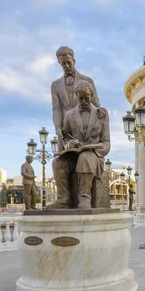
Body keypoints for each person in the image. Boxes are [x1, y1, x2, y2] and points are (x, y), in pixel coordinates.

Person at [47, 80, 110, 209]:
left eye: (87, 98)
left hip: (94, 156)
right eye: (81, 98)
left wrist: (90, 147)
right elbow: (65, 137)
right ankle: (64, 199)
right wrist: (68, 144)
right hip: (74, 155)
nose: (84, 101)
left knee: (85, 157)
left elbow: (106, 143)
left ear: (91, 95)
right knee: (57, 162)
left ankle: (84, 198)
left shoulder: (101, 114)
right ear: (77, 96)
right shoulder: (69, 115)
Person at [51, 46, 101, 151]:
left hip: (84, 130)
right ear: (59, 63)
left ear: (74, 61)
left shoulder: (88, 80)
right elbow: (56, 108)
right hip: (66, 131)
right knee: (61, 163)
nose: (67, 66)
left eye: (69, 62)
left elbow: (96, 105)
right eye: (63, 63)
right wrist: (58, 127)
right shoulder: (55, 85)